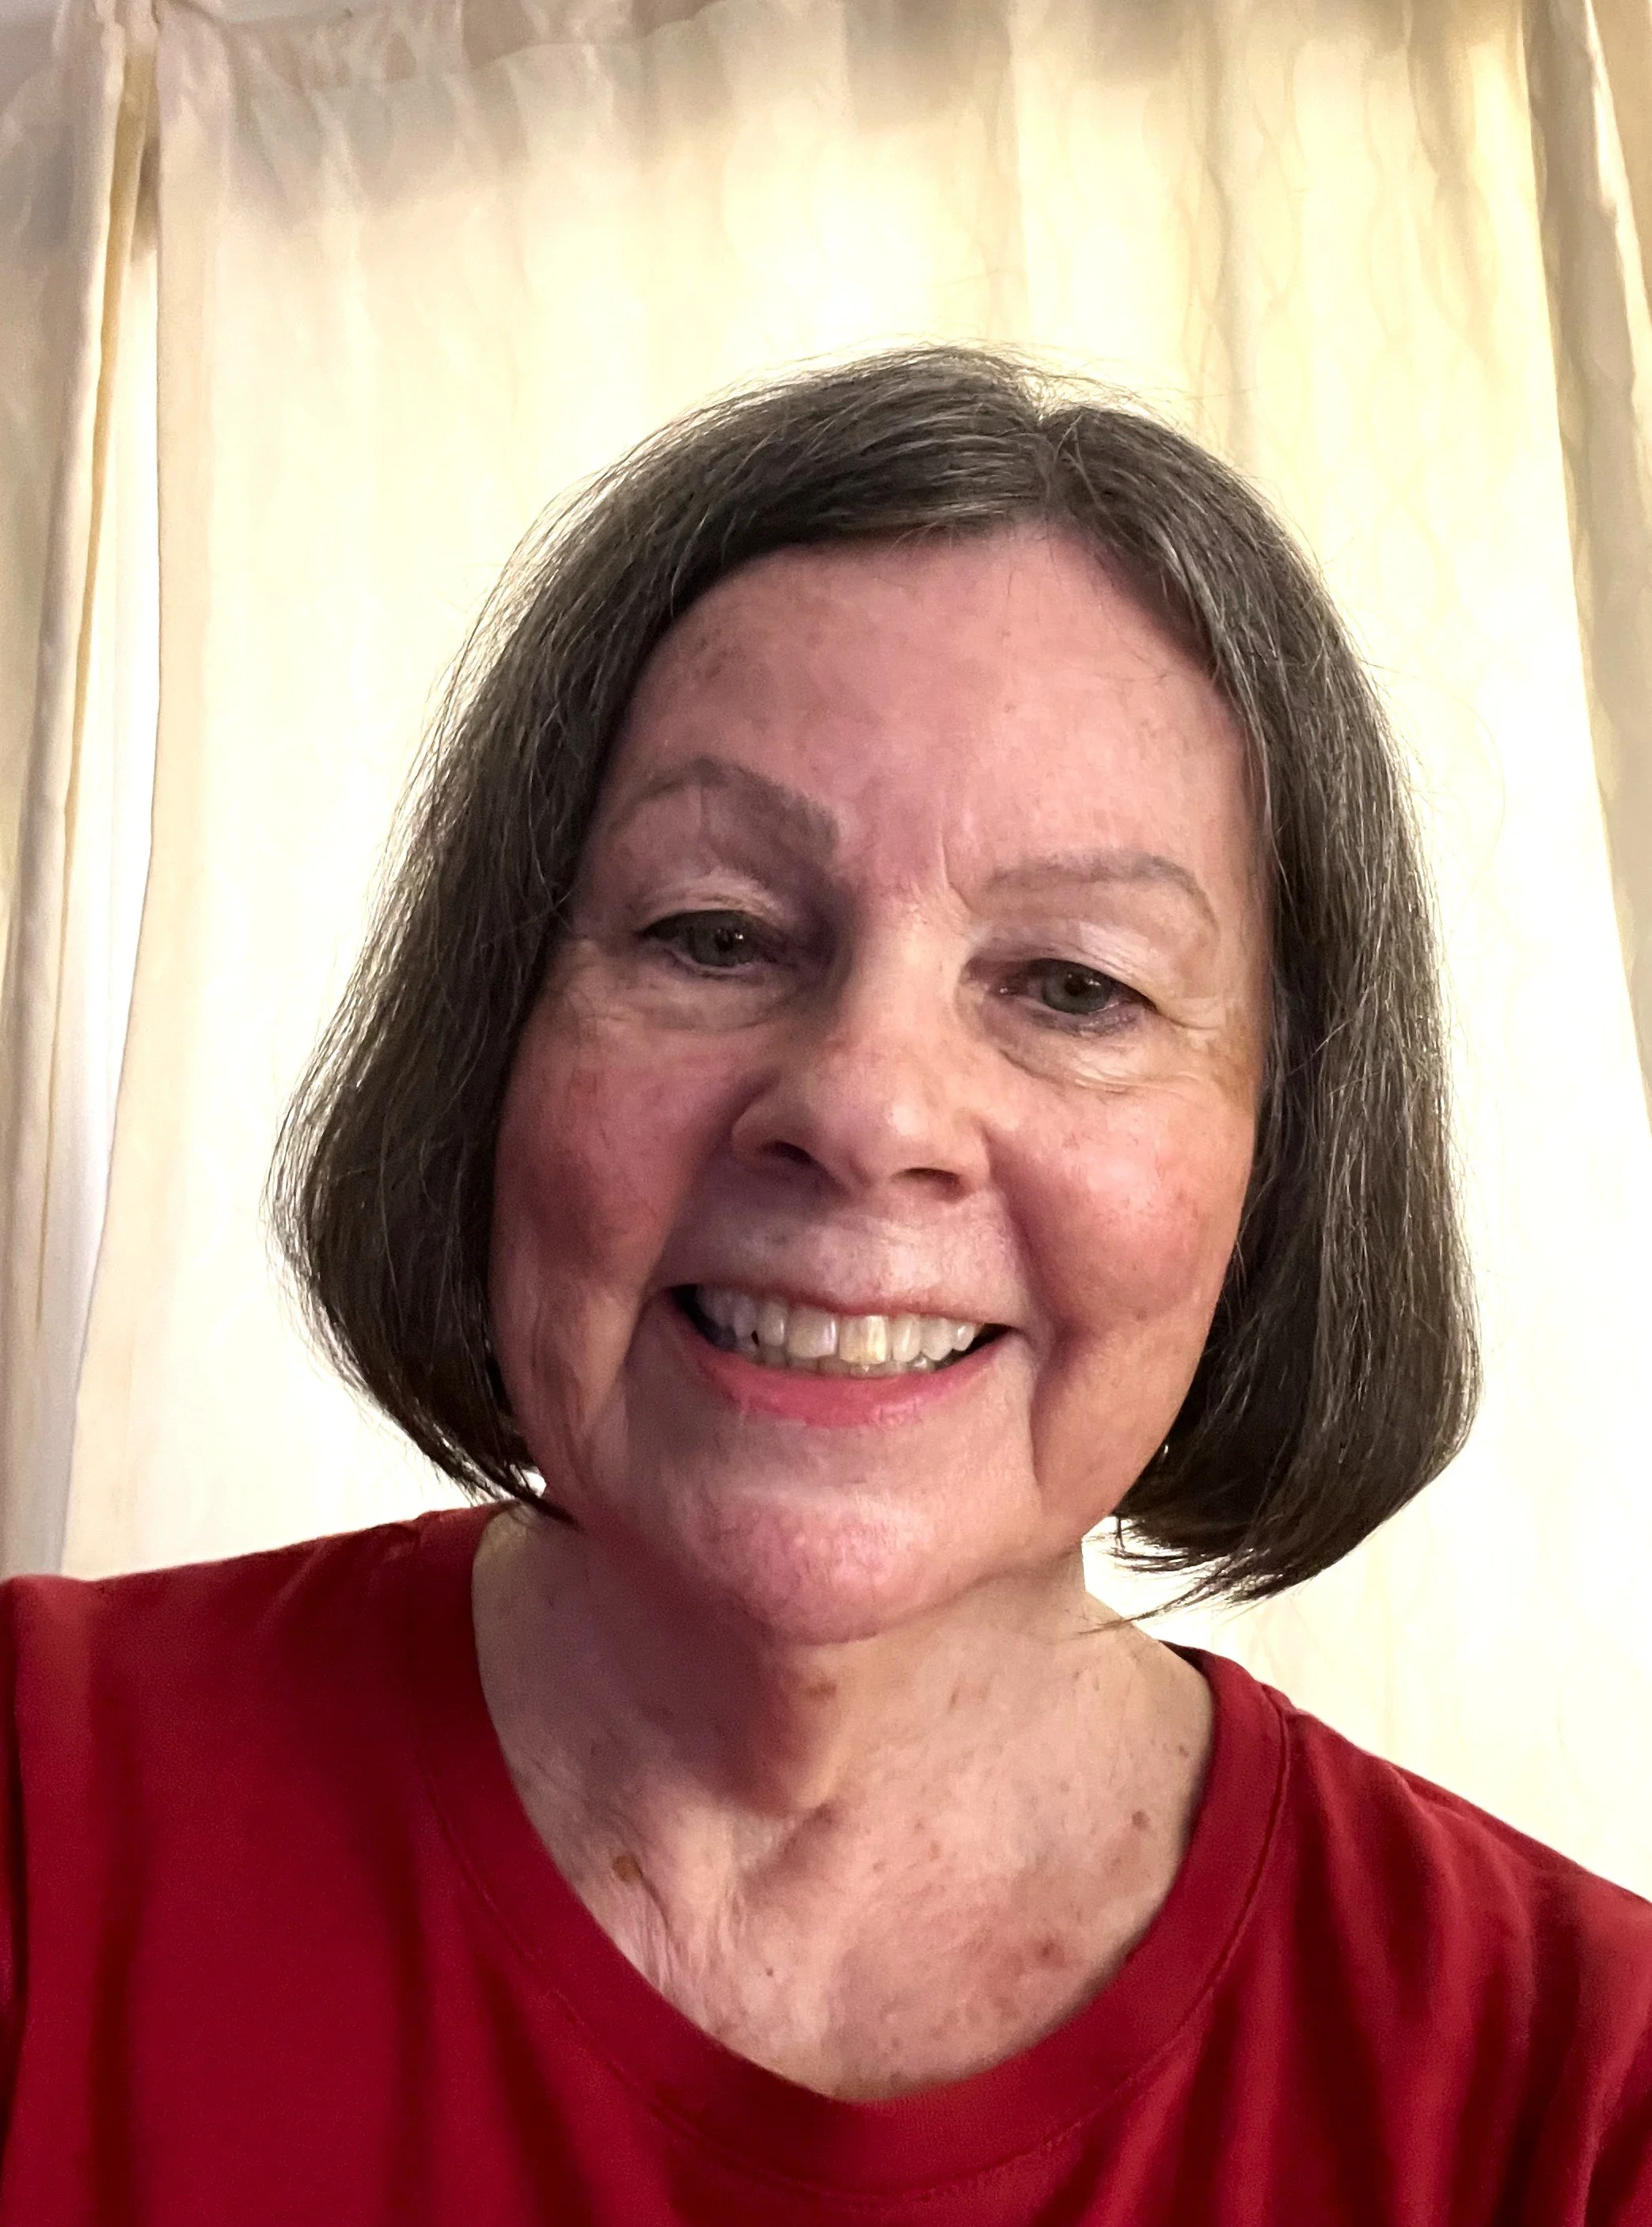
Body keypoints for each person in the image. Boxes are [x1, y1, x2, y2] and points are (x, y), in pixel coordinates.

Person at [0, 342, 1646, 2225]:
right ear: (494, 1046)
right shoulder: (34, 1829)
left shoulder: (1577, 2104)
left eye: (1073, 987)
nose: (863, 1109)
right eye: (712, 933)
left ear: (1282, 1159)